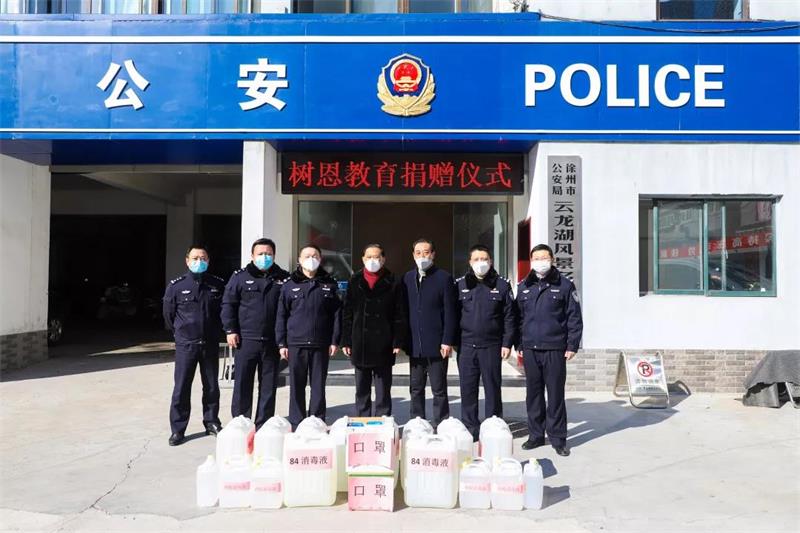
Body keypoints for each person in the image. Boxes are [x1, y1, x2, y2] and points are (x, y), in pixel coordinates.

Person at [515, 244, 583, 457]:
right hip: (530, 349)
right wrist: (519, 344)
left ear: (552, 259)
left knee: (555, 395)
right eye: (536, 258)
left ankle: (558, 439)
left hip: (555, 349)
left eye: (544, 257)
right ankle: (535, 435)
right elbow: (518, 318)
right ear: (531, 260)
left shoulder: (565, 285)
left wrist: (572, 345)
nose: (540, 261)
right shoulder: (524, 286)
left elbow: (574, 317)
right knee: (533, 395)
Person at [221, 238, 290, 429]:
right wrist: (230, 329)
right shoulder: (240, 277)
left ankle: (263, 423)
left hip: (272, 341)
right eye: (260, 254)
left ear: (274, 255)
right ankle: (240, 423)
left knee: (268, 385)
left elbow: (289, 309)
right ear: (252, 255)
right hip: (246, 339)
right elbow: (228, 304)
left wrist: (285, 339)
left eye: (268, 254)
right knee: (243, 383)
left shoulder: (284, 278)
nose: (264, 257)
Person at [163, 245, 225, 446]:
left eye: (203, 258)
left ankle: (211, 421)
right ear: (187, 260)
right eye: (195, 258)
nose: (200, 261)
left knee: (211, 386)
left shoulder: (217, 284)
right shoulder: (176, 286)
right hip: (186, 345)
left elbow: (223, 312)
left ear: (208, 260)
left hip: (210, 343)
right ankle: (178, 429)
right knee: (182, 387)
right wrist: (182, 333)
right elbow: (169, 315)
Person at [276, 244, 341, 429]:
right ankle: (296, 422)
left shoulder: (329, 284)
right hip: (296, 342)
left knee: (318, 385)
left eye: (315, 256)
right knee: (297, 385)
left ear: (320, 259)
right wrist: (281, 343)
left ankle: (317, 420)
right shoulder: (289, 285)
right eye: (307, 256)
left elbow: (337, 315)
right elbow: (281, 315)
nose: (311, 259)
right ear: (299, 260)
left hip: (321, 343)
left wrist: (335, 340)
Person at [455, 244, 516, 440]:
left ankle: (493, 427)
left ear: (491, 261)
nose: (481, 263)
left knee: (492, 389)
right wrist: (452, 342)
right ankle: (470, 428)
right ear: (470, 262)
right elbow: (453, 316)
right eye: (476, 259)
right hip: (466, 346)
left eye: (484, 259)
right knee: (468, 389)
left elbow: (510, 317)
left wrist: (507, 343)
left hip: (491, 346)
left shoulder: (502, 285)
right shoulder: (460, 285)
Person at [341, 243, 407, 417]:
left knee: (383, 387)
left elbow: (399, 313)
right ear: (363, 259)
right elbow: (347, 312)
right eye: (369, 257)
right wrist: (346, 340)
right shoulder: (354, 280)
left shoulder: (393, 281)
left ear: (383, 259)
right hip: (360, 341)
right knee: (361, 387)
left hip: (384, 341)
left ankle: (382, 417)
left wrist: (397, 340)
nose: (373, 260)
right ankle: (362, 417)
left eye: (377, 257)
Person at [402, 238, 458, 426]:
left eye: (426, 252)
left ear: (433, 254)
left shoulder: (444, 278)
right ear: (413, 255)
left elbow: (450, 312)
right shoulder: (407, 278)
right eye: (418, 253)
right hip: (415, 343)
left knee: (439, 388)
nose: (422, 256)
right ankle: (417, 422)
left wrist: (447, 340)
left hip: (437, 344)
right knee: (416, 388)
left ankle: (441, 423)